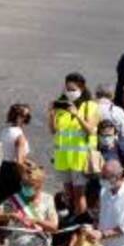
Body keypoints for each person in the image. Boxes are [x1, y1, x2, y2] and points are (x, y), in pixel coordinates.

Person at [50, 73, 101, 217]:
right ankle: (72, 221)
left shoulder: (90, 106)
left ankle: (81, 225)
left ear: (82, 87)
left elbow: (91, 130)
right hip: (64, 158)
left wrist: (77, 114)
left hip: (81, 158)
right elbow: (54, 131)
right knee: (69, 194)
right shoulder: (62, 106)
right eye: (67, 89)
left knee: (79, 195)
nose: (69, 92)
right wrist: (52, 114)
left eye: (72, 89)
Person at [0, 104, 33, 246]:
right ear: (20, 117)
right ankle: (18, 241)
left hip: (4, 168)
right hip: (15, 172)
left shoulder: (5, 131)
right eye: (26, 116)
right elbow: (19, 159)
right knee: (20, 206)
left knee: (3, 206)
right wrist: (27, 171)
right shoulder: (20, 135)